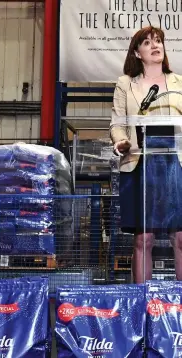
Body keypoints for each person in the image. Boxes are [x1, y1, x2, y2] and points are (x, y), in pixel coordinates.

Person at [110, 26, 182, 283]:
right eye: (148, 42)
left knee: (181, 237)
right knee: (144, 238)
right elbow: (118, 123)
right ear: (137, 52)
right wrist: (121, 142)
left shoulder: (179, 83)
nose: (156, 45)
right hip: (140, 164)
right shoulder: (125, 84)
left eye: (159, 41)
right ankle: (142, 303)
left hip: (175, 165)